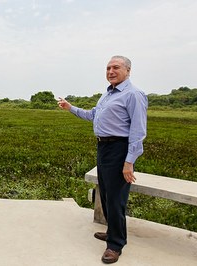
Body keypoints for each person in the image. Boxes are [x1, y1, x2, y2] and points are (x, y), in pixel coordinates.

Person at [58, 55, 148, 264]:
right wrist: (70, 108)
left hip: (119, 149)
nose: (110, 72)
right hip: (104, 148)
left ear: (128, 70)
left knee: (116, 199)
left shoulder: (133, 94)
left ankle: (116, 245)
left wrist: (129, 162)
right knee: (106, 194)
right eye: (108, 68)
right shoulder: (107, 95)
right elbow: (92, 115)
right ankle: (112, 231)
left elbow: (138, 131)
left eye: (115, 67)